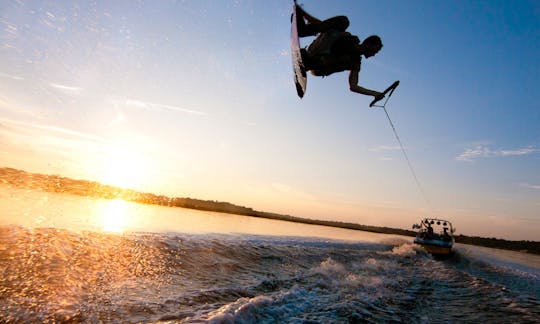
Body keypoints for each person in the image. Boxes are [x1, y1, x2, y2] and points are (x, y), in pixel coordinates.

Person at [295, 4, 384, 101]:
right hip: (315, 50)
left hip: (317, 67)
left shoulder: (355, 63)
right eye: (375, 50)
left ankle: (309, 63)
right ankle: (303, 31)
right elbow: (323, 28)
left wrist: (375, 94)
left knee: (348, 60)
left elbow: (353, 86)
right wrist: (302, 13)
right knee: (342, 22)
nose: (374, 54)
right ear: (369, 44)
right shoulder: (350, 38)